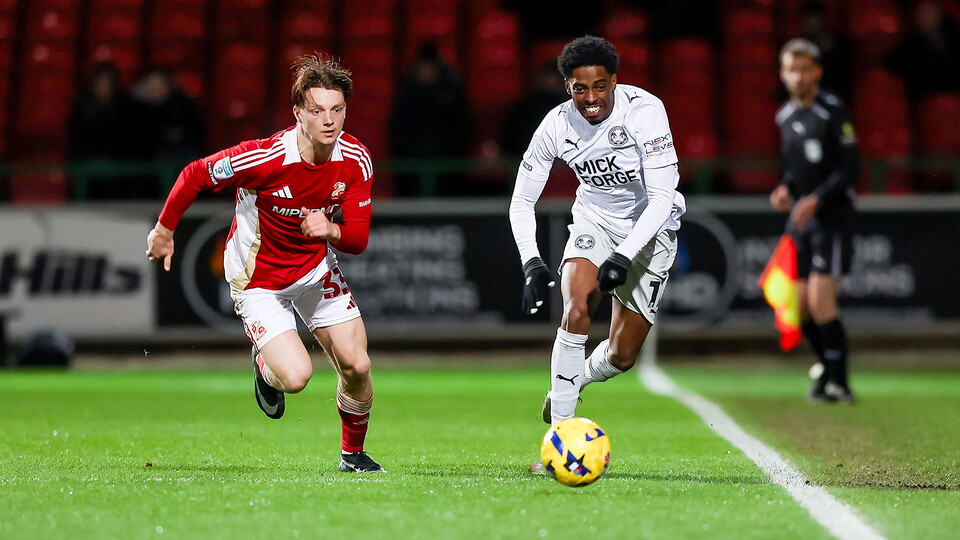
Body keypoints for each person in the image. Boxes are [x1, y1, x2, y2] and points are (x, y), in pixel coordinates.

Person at [145, 54, 385, 473]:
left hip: (314, 271)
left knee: (358, 365)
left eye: (337, 109)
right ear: (298, 114)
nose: (329, 120)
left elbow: (359, 240)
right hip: (259, 281)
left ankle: (352, 455)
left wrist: (330, 230)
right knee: (295, 378)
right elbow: (195, 174)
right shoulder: (264, 158)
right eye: (317, 111)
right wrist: (164, 230)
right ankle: (264, 365)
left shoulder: (355, 160)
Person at [508, 36, 685, 474]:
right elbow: (522, 201)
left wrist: (623, 257)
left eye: (600, 87)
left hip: (652, 231)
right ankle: (560, 441)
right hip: (594, 222)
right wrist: (531, 262)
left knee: (623, 356)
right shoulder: (555, 125)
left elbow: (662, 198)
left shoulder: (645, 111)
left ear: (615, 82)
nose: (591, 99)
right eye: (580, 89)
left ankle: (574, 381)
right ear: (567, 86)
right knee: (575, 308)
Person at [769, 38, 860, 404]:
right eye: (792, 70)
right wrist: (785, 188)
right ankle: (826, 369)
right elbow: (796, 168)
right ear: (783, 74)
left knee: (822, 302)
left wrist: (816, 199)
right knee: (801, 306)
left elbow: (851, 168)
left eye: (805, 69)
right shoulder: (785, 116)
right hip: (803, 222)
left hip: (833, 219)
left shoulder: (832, 111)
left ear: (817, 72)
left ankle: (840, 383)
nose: (798, 77)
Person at [387, 43, 473, 196]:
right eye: (423, 67)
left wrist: (441, 151)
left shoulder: (451, 93)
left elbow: (463, 129)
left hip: (447, 169)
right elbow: (397, 130)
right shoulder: (407, 94)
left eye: (430, 67)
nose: (426, 71)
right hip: (412, 169)